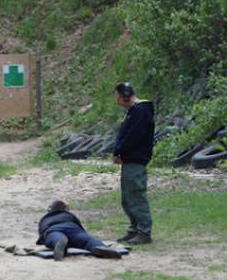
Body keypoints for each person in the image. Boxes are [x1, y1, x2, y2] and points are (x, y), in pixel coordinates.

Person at [113, 82, 155, 245]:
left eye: (118, 96)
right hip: (130, 159)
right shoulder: (134, 111)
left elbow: (133, 136)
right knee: (128, 197)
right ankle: (135, 229)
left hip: (136, 159)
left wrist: (120, 151)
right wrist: (119, 152)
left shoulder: (140, 111)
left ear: (124, 96)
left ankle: (144, 232)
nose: (116, 100)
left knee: (136, 196)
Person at [37, 200, 122, 261]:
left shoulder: (45, 218)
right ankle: (99, 246)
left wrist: (44, 239)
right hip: (73, 228)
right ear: (66, 209)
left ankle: (59, 242)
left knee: (55, 236)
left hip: (54, 229)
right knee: (87, 240)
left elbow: (43, 232)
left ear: (49, 210)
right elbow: (80, 228)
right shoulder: (69, 215)